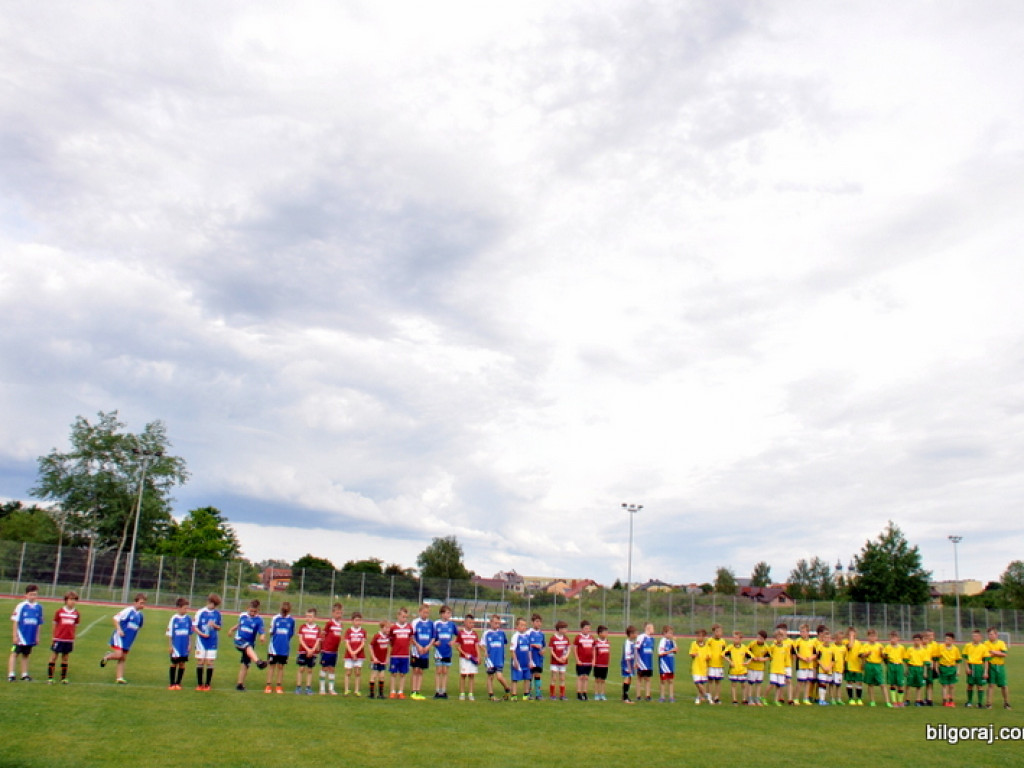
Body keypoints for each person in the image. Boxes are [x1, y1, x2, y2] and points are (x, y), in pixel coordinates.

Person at [100, 593, 146, 685]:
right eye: (141, 603)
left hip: (128, 640)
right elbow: (115, 618)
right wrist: (119, 629)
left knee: (123, 658)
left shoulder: (140, 616)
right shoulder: (128, 611)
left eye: (144, 603)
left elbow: (139, 626)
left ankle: (119, 678)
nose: (142, 605)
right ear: (135, 602)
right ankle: (107, 657)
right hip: (120, 637)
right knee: (119, 655)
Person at [228, 599, 268, 691]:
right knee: (248, 647)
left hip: (250, 644)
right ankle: (258, 662)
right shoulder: (242, 616)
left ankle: (240, 684)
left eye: (255, 611)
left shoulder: (259, 620)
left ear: (258, 610)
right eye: (251, 611)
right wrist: (231, 629)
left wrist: (262, 637)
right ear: (247, 609)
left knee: (245, 664)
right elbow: (239, 625)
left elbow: (262, 631)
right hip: (239, 640)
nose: (253, 613)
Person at [8, 584, 44, 682]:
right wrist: (15, 635)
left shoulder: (39, 607)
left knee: (26, 655)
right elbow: (15, 621)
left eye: (35, 594)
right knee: (14, 653)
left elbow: (39, 623)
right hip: (20, 635)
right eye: (31, 594)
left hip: (30, 636)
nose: (33, 596)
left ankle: (24, 674)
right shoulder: (21, 606)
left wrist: (37, 636)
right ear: (26, 595)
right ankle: (11, 674)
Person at [46, 590, 80, 685]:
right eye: (70, 599)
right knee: (54, 657)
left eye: (74, 600)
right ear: (66, 600)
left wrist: (73, 638)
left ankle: (63, 677)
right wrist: (54, 637)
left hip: (68, 639)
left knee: (65, 658)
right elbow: (54, 624)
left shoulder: (76, 613)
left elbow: (75, 626)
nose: (72, 601)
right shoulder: (59, 612)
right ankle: (50, 678)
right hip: (59, 638)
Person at [264, 602, 295, 694]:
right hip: (274, 647)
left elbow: (291, 633)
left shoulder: (291, 620)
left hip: (284, 647)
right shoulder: (275, 618)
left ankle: (278, 685)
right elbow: (271, 632)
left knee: (281, 666)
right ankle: (268, 685)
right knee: (272, 666)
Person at [193, 594, 222, 691]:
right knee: (200, 661)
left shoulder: (217, 614)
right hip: (201, 641)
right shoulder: (200, 612)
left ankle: (207, 684)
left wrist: (214, 625)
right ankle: (200, 684)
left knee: (210, 662)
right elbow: (194, 627)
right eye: (213, 604)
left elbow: (219, 627)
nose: (213, 606)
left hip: (212, 640)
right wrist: (202, 634)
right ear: (209, 602)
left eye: (215, 605)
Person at [482, 614, 511, 700]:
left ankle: (507, 689)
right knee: (490, 676)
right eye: (495, 623)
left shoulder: (501, 633)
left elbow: (505, 643)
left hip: (499, 658)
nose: (497, 625)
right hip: (490, 659)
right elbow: (481, 644)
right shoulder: (486, 633)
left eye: (498, 623)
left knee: (499, 676)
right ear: (490, 622)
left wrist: (503, 652)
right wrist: (485, 651)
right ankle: (491, 695)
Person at [166, 598, 192, 690]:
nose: (186, 610)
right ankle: (172, 683)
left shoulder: (188, 619)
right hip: (176, 645)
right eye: (185, 608)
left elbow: (189, 633)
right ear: (179, 608)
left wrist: (190, 644)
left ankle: (178, 683)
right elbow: (169, 634)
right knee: (174, 663)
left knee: (182, 663)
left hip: (184, 646)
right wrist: (170, 646)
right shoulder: (174, 618)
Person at [410, 604, 435, 700]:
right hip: (416, 650)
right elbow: (412, 636)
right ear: (419, 612)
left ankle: (418, 691)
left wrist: (428, 646)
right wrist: (418, 646)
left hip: (426, 650)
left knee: (421, 670)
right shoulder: (415, 622)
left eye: (427, 613)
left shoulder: (431, 623)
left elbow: (433, 637)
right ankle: (413, 691)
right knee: (415, 669)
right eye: (424, 612)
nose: (426, 614)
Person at [388, 607, 413, 699]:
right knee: (393, 673)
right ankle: (392, 691)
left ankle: (401, 691)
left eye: (406, 617)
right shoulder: (393, 628)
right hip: (395, 654)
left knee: (403, 673)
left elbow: (411, 638)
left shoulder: (409, 627)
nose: (404, 619)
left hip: (405, 655)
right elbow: (391, 640)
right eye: (403, 616)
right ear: (398, 616)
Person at [295, 607, 321, 695]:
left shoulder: (317, 628)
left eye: (310, 616)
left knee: (310, 670)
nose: (308, 618)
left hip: (312, 652)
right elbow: (301, 639)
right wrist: (307, 649)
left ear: (314, 617)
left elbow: (318, 640)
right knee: (301, 668)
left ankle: (308, 687)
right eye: (307, 616)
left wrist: (312, 650)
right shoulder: (302, 627)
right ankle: (298, 687)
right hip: (303, 651)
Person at [433, 605, 457, 699]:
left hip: (447, 651)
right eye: (447, 613)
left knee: (445, 671)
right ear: (442, 614)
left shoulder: (451, 624)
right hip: (438, 651)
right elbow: (432, 636)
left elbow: (458, 635)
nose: (449, 615)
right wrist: (435, 642)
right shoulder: (436, 624)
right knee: (439, 671)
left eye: (450, 613)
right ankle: (437, 691)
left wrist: (453, 641)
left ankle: (444, 691)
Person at [319, 603, 343, 696]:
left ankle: (331, 688)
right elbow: (323, 635)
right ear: (333, 613)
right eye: (337, 613)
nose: (339, 615)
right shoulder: (329, 623)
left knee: (332, 669)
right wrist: (322, 647)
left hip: (334, 651)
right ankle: (322, 688)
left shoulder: (340, 624)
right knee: (324, 668)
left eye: (340, 613)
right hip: (327, 650)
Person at [793, 624, 819, 705]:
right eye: (801, 632)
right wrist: (803, 658)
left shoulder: (812, 642)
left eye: (804, 632)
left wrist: (811, 658)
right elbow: (796, 653)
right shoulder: (798, 641)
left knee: (808, 682)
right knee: (800, 682)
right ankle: (796, 698)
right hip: (801, 665)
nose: (802, 633)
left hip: (810, 665)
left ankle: (806, 698)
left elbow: (816, 653)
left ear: (808, 633)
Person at [962, 628, 989, 708]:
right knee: (970, 684)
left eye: (976, 636)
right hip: (970, 666)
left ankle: (980, 703)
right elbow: (965, 658)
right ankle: (969, 701)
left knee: (980, 685)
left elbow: (986, 661)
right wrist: (967, 668)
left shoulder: (983, 647)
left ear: (980, 637)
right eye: (973, 636)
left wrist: (985, 672)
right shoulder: (968, 646)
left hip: (978, 667)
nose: (975, 638)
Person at [456, 614, 480, 701]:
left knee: (471, 675)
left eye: (473, 623)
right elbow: (457, 646)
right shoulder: (461, 633)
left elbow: (476, 645)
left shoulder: (474, 634)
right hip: (464, 658)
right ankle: (462, 693)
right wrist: (464, 653)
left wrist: (478, 656)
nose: (472, 624)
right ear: (465, 623)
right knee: (463, 675)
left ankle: (470, 693)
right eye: (470, 622)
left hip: (473, 658)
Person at [985, 626, 1010, 709]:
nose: (990, 636)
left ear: (996, 635)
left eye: (992, 634)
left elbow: (1004, 654)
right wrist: (998, 653)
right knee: (991, 685)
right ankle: (989, 703)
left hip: (1000, 666)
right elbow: (986, 655)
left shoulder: (1001, 643)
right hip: (991, 666)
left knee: (1004, 685)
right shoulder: (986, 643)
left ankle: (1006, 703)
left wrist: (994, 652)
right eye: (989, 634)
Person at [859, 629, 885, 707]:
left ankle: (887, 701)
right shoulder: (865, 645)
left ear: (876, 637)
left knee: (882, 684)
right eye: (871, 636)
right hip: (869, 665)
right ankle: (872, 701)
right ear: (868, 637)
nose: (872, 638)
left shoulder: (879, 646)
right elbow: (861, 655)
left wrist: (881, 653)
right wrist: (866, 655)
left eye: (874, 636)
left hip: (877, 665)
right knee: (870, 684)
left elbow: (884, 656)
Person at [343, 611, 366, 697]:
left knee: (357, 672)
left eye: (359, 620)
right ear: (352, 621)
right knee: (348, 672)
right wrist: (352, 652)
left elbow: (362, 643)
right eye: (356, 620)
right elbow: (347, 643)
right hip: (349, 655)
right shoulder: (349, 631)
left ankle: (357, 690)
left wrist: (356, 652)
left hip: (359, 655)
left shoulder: (363, 631)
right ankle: (346, 689)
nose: (358, 622)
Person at [937, 632, 962, 707]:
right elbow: (937, 658)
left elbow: (958, 661)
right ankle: (944, 700)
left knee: (952, 685)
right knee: (944, 685)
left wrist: (958, 670)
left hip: (952, 668)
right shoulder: (941, 647)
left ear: (953, 640)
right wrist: (937, 668)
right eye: (946, 639)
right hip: (943, 667)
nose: (947, 641)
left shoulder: (955, 649)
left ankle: (951, 700)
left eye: (949, 639)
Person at [882, 631, 907, 707]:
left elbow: (904, 658)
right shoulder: (887, 647)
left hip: (899, 666)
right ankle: (894, 701)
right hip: (891, 666)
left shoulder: (901, 648)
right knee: (892, 684)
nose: (892, 639)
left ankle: (900, 701)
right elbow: (884, 658)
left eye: (894, 638)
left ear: (898, 638)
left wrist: (906, 668)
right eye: (891, 638)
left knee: (900, 684)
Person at [767, 628, 791, 706]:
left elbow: (786, 658)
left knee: (779, 686)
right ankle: (763, 696)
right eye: (778, 637)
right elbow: (769, 656)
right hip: (774, 668)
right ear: (775, 638)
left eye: (781, 637)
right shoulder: (773, 646)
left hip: (781, 669)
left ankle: (776, 700)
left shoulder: (785, 647)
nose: (779, 638)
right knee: (772, 684)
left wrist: (785, 668)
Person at [745, 630, 770, 706]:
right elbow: (746, 653)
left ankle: (757, 699)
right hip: (752, 667)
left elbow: (768, 657)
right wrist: (753, 658)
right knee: (750, 683)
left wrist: (762, 659)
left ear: (764, 639)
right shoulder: (752, 644)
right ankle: (750, 699)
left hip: (760, 668)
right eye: (758, 637)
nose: (758, 639)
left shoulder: (766, 647)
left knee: (758, 684)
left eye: (760, 638)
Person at [510, 617, 532, 700]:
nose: (524, 627)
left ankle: (526, 695)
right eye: (522, 625)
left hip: (526, 661)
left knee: (527, 678)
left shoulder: (527, 636)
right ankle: (514, 695)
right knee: (515, 678)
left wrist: (530, 661)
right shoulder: (515, 636)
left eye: (525, 625)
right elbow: (512, 650)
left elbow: (529, 650)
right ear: (517, 626)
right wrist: (515, 661)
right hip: (518, 661)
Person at [573, 620, 596, 701]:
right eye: (586, 628)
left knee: (586, 677)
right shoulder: (578, 637)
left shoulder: (592, 638)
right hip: (581, 661)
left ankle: (585, 693)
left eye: (589, 628)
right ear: (582, 629)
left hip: (588, 661)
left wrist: (593, 660)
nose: (588, 630)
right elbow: (575, 649)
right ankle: (579, 693)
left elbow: (593, 649)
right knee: (580, 677)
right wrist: (577, 659)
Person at [548, 620, 570, 701]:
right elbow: (551, 650)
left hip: (563, 661)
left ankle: (562, 695)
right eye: (564, 629)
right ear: (560, 629)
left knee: (562, 678)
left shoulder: (566, 638)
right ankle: (552, 694)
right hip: (555, 662)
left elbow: (568, 649)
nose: (566, 630)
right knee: (554, 678)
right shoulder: (553, 638)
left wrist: (565, 657)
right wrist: (557, 658)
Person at [368, 619, 390, 699]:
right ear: (382, 628)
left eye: (388, 628)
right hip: (376, 660)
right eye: (386, 628)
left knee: (382, 676)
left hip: (383, 660)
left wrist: (387, 658)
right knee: (373, 675)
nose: (388, 629)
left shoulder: (387, 637)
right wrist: (374, 657)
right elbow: (370, 646)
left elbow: (387, 648)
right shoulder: (377, 636)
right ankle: (372, 693)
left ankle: (380, 694)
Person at [690, 628, 713, 705]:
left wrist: (708, 657)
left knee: (701, 684)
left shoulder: (706, 646)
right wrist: (694, 654)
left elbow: (710, 655)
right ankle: (706, 695)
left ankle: (698, 698)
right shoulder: (694, 644)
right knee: (697, 682)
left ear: (704, 637)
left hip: (703, 667)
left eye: (700, 636)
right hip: (696, 667)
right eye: (698, 636)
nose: (699, 637)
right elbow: (691, 653)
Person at [724, 630, 747, 705]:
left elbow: (751, 656)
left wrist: (747, 662)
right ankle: (734, 699)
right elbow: (723, 654)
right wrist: (730, 661)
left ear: (741, 639)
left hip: (742, 669)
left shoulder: (743, 647)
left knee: (743, 685)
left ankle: (744, 699)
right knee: (733, 684)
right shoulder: (730, 647)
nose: (735, 640)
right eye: (733, 638)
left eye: (736, 638)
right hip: (733, 670)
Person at [905, 633, 930, 706]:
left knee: (919, 685)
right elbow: (907, 660)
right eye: (915, 640)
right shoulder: (910, 649)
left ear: (921, 641)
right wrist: (907, 669)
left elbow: (925, 662)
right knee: (908, 685)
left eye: (918, 640)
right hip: (911, 668)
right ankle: (907, 700)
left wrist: (925, 672)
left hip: (919, 668)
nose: (916, 642)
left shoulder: (923, 650)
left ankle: (918, 700)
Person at [634, 622, 656, 702]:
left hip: (649, 662)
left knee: (648, 678)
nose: (654, 630)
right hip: (641, 662)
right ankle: (638, 695)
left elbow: (651, 650)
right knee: (640, 678)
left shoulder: (652, 639)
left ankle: (647, 695)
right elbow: (636, 649)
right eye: (653, 628)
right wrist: (636, 661)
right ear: (648, 628)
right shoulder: (641, 637)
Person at [706, 623, 727, 704]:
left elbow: (725, 652)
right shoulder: (709, 641)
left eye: (720, 632)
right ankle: (709, 697)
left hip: (719, 665)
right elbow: (706, 650)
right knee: (710, 681)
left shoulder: (723, 641)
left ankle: (717, 697)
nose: (719, 633)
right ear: (713, 632)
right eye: (717, 631)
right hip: (711, 664)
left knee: (718, 681)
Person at [843, 626, 864, 705]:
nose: (852, 634)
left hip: (857, 664)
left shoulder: (859, 643)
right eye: (850, 633)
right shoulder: (845, 642)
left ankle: (859, 698)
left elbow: (861, 654)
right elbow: (850, 646)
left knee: (859, 682)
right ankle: (851, 698)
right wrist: (851, 638)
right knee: (850, 682)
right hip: (849, 664)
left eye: (853, 633)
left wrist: (863, 662)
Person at [658, 625, 678, 703]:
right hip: (664, 663)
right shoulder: (662, 641)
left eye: (672, 633)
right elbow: (660, 653)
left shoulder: (671, 641)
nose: (671, 635)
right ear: (664, 633)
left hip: (670, 663)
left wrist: (675, 643)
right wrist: (670, 651)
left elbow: (676, 650)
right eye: (669, 633)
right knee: (663, 681)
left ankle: (671, 696)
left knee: (671, 680)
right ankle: (662, 696)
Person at [528, 614, 546, 700]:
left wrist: (543, 650)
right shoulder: (529, 633)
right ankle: (529, 693)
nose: (538, 623)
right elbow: (526, 644)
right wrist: (534, 645)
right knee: (530, 675)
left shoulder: (541, 634)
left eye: (540, 622)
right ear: (532, 623)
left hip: (539, 658)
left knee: (538, 674)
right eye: (536, 621)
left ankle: (538, 694)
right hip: (531, 657)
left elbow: (543, 645)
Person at [593, 625, 611, 701]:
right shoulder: (596, 642)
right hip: (598, 664)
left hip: (605, 664)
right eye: (605, 632)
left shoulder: (608, 642)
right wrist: (593, 661)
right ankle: (596, 694)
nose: (606, 633)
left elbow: (609, 652)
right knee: (597, 679)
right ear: (600, 633)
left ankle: (602, 694)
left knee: (603, 680)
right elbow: (593, 652)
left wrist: (609, 661)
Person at [620, 625, 637, 704]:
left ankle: (624, 696)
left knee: (629, 678)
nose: (636, 634)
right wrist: (629, 667)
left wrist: (635, 663)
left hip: (631, 662)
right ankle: (625, 697)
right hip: (627, 663)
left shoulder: (632, 642)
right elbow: (627, 656)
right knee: (627, 678)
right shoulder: (627, 643)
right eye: (635, 633)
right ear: (630, 634)